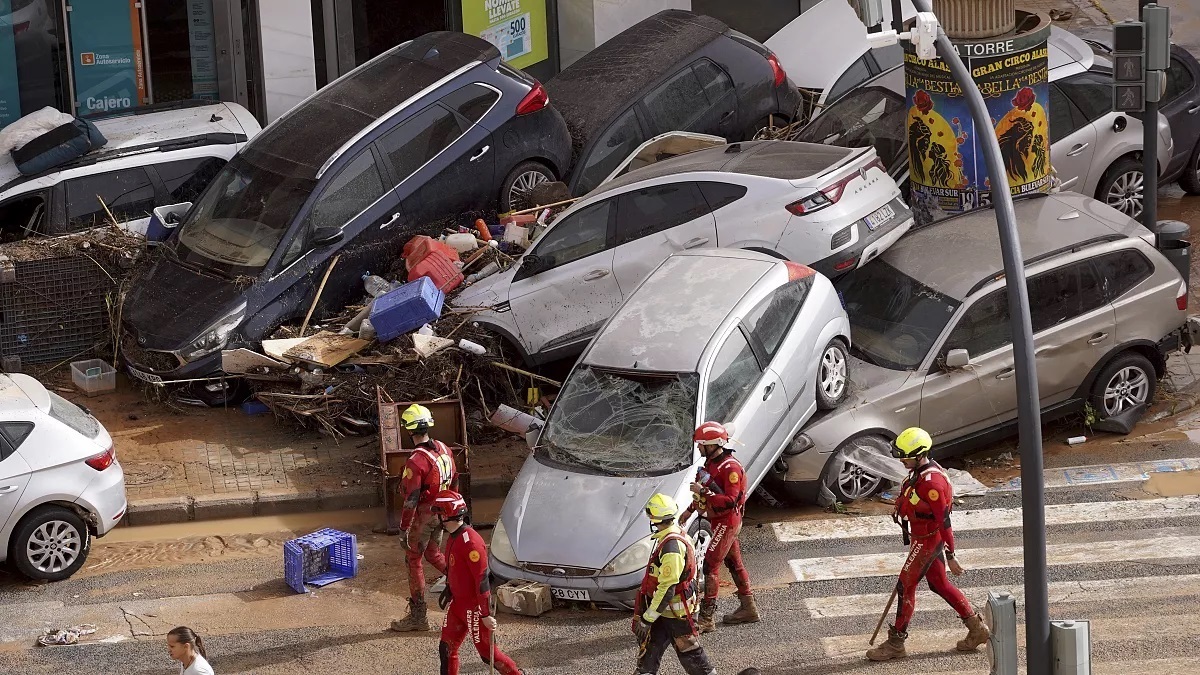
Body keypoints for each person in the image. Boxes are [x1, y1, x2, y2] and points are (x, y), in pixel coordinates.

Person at [866, 427, 990, 661]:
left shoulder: (932, 484)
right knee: (939, 584)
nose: (902, 460)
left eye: (905, 456)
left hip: (927, 541)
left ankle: (895, 644)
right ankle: (977, 629)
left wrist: (951, 555)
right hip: (920, 537)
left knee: (905, 586)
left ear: (920, 454)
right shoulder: (919, 471)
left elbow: (944, 522)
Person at [432, 489, 525, 675]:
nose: (436, 518)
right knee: (446, 649)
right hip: (458, 605)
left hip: (474, 609)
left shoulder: (471, 543)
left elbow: (481, 580)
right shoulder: (454, 537)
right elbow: (456, 571)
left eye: (439, 513)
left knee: (487, 654)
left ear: (447, 515)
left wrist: (485, 614)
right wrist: (449, 589)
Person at [680, 421, 757, 633]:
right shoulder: (710, 465)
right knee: (734, 563)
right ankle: (748, 608)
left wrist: (704, 493)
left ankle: (706, 619)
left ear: (713, 445)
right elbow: (704, 493)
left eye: (701, 444)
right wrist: (689, 510)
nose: (698, 448)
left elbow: (730, 501)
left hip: (727, 521)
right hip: (719, 520)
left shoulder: (731, 468)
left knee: (710, 565)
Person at [390, 403, 459, 633]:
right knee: (432, 553)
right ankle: (464, 584)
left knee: (413, 559)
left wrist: (403, 528)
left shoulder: (416, 460)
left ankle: (418, 617)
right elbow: (455, 481)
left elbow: (412, 498)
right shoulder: (444, 449)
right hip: (443, 511)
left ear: (409, 430)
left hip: (425, 516)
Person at [633, 493, 716, 675]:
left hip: (674, 612)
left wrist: (647, 618)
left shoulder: (671, 547)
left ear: (655, 519)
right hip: (664, 610)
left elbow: (667, 588)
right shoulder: (673, 535)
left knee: (691, 653)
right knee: (650, 649)